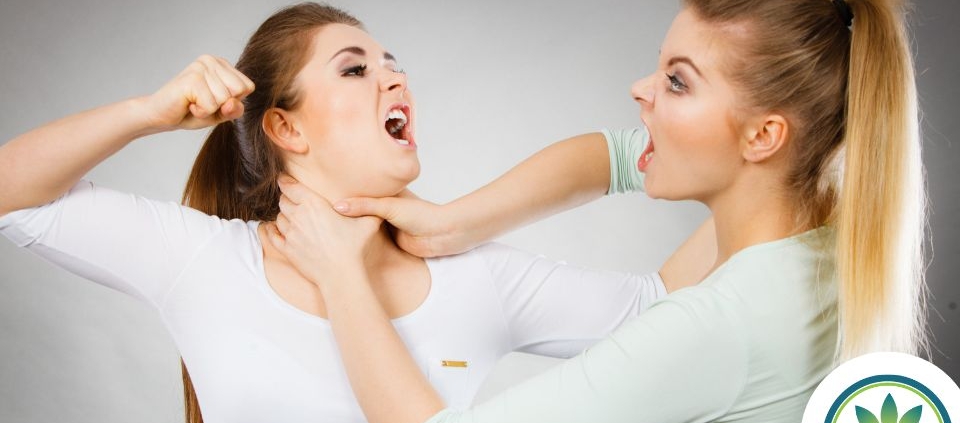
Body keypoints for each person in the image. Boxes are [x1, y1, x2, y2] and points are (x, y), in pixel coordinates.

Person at [0, 3, 716, 423]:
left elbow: (670, 305)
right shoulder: (206, 260)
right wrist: (145, 112)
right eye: (356, 67)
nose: (395, 75)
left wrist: (696, 157)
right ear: (287, 128)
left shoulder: (477, 280)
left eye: (392, 61)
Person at [270, 0, 928, 421]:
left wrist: (341, 276)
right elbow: (619, 154)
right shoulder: (825, 219)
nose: (640, 90)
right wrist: (453, 222)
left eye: (677, 81)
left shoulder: (721, 326)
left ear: (763, 137)